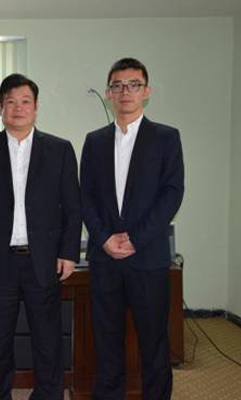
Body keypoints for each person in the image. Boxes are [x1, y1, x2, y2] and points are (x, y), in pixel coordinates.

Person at [0, 73, 82, 400]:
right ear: (0, 107)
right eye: (10, 102)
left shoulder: (59, 149)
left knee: (48, 341)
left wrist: (69, 253)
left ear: (36, 107)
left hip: (44, 260)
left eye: (25, 101)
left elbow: (73, 206)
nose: (18, 108)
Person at [80, 57, 184, 400]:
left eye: (133, 84)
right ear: (109, 92)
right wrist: (104, 239)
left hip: (148, 258)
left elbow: (172, 193)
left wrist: (136, 239)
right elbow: (85, 197)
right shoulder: (94, 141)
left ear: (146, 91)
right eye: (118, 85)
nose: (125, 91)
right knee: (106, 342)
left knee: (154, 344)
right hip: (105, 259)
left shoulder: (166, 138)